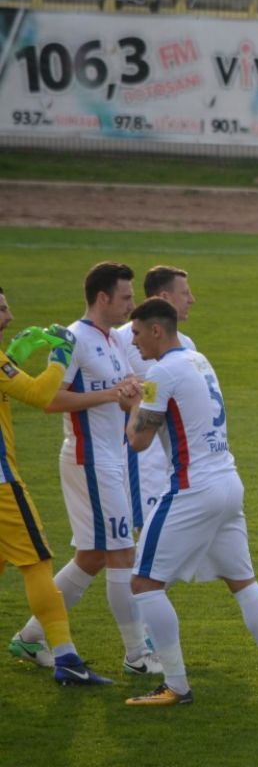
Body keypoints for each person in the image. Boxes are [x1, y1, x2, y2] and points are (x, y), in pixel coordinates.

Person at [121, 299, 258, 705]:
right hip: (228, 483)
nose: (133, 341)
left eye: (137, 333)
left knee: (144, 583)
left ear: (156, 331)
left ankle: (177, 686)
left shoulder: (160, 372)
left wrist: (132, 405)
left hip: (192, 488)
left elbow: (138, 439)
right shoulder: (198, 359)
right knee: (243, 581)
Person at [11, 262, 160, 676]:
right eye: (126, 297)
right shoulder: (74, 339)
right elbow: (51, 399)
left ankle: (30, 636)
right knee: (122, 552)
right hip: (89, 460)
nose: (131, 305)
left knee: (93, 556)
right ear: (103, 297)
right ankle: (137, 654)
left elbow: (118, 392)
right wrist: (110, 394)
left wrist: (131, 393)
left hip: (114, 457)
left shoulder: (113, 339)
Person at [1, 288, 113, 686]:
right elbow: (39, 394)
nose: (10, 316)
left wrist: (13, 360)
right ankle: (66, 658)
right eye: (1, 309)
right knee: (37, 564)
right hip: (2, 487)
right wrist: (60, 357)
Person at [113, 265, 197, 533]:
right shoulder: (122, 339)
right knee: (148, 532)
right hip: (141, 455)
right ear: (164, 297)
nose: (192, 299)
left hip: (175, 453)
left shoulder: (187, 345)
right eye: (185, 293)